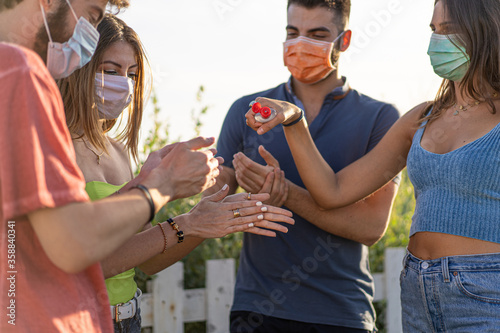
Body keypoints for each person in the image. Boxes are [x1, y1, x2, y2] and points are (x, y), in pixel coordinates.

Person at [0, 0, 274, 331]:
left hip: (128, 316)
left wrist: (204, 222)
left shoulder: (120, 152)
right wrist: (167, 196)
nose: (124, 84)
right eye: (111, 70)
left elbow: (143, 259)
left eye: (132, 74)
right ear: (83, 68)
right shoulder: (45, 129)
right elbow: (82, 258)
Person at [246, 0, 500, 331]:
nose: (437, 41)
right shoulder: (423, 116)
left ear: (485, 33)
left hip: (486, 288)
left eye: (449, 30)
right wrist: (294, 120)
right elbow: (333, 192)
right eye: (433, 30)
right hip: (416, 286)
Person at [207, 0, 401, 331]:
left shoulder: (381, 118)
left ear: (345, 40)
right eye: (292, 32)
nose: (300, 45)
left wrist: (286, 195)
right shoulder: (248, 110)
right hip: (256, 310)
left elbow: (371, 228)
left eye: (317, 34)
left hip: (342, 314)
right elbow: (211, 204)